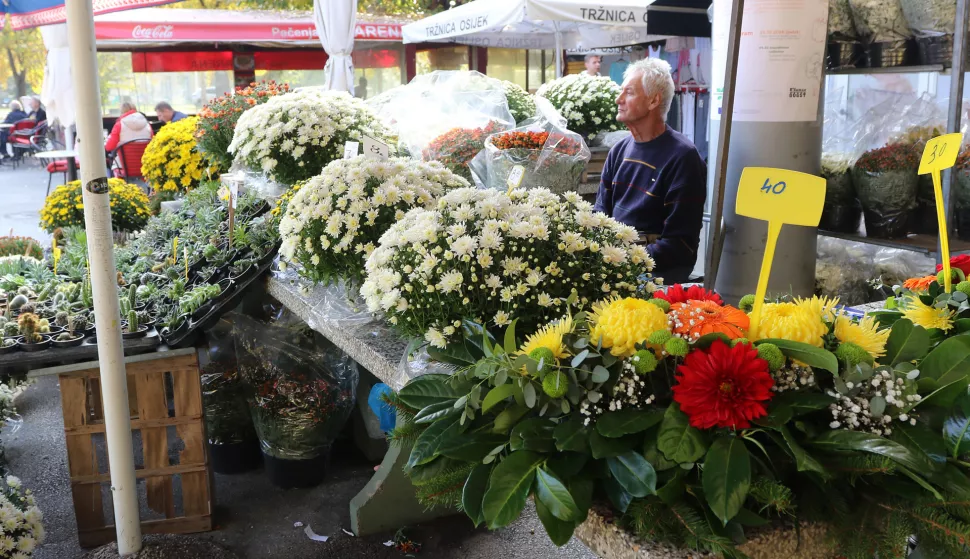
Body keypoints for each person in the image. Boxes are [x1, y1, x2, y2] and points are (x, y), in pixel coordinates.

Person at [594, 58, 707, 284]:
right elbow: (599, 215)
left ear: (654, 100)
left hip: (657, 272)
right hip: (617, 262)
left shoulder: (683, 157)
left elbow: (679, 245)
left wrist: (623, 258)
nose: (619, 99)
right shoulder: (619, 150)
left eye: (629, 93)